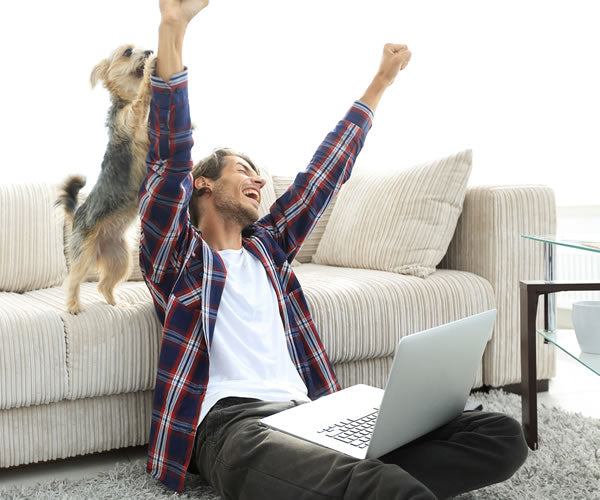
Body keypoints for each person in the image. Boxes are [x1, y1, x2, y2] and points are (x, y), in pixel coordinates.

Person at [137, 1, 529, 498]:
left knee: (500, 436)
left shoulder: (270, 251)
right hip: (236, 429)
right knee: (378, 484)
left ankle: (352, 482)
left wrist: (381, 81)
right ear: (203, 185)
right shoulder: (178, 262)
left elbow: (327, 172)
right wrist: (174, 29)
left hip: (313, 417)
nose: (258, 178)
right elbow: (167, 162)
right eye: (242, 168)